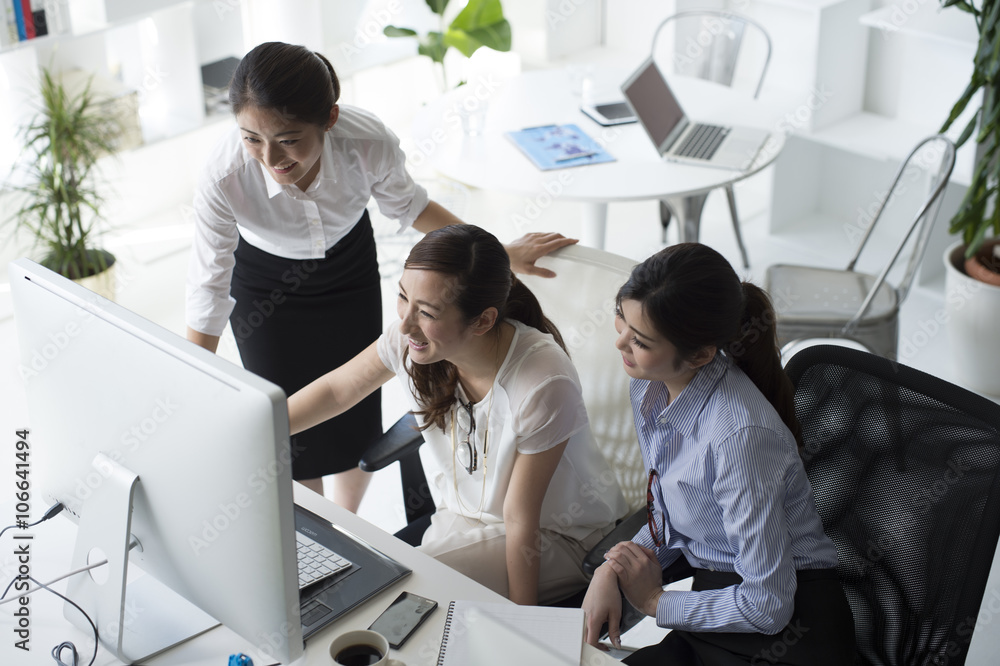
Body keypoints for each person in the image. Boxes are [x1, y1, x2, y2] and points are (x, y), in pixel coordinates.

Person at [185, 42, 574, 511]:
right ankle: (315, 529)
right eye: (252, 138)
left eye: (288, 139)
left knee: (355, 407)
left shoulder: (366, 142)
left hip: (348, 268)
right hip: (264, 282)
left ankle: (348, 519)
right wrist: (195, 379)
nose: (270, 157)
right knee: (287, 422)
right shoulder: (223, 175)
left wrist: (498, 253)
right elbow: (208, 286)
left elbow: (412, 207)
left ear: (328, 118)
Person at [287, 224, 628, 605]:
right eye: (403, 297)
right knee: (398, 602)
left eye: (427, 312)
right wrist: (258, 428)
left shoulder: (542, 382)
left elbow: (520, 517)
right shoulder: (414, 340)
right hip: (462, 519)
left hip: (557, 538)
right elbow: (338, 391)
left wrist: (526, 625)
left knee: (396, 593)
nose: (405, 324)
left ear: (482, 320)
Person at [582, 243, 855, 665]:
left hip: (788, 631)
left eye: (640, 340)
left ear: (702, 355)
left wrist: (655, 602)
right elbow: (671, 513)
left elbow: (768, 606)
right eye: (621, 315)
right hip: (720, 602)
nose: (620, 342)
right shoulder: (649, 383)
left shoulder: (739, 438)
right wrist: (612, 568)